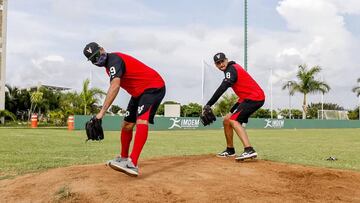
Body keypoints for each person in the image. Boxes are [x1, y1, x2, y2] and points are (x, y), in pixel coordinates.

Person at [83, 42, 166, 176]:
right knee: (126, 125)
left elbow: (115, 86)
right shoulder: (108, 66)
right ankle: (123, 157)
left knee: (141, 121)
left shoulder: (114, 60)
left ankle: (132, 163)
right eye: (93, 59)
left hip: (153, 87)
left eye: (97, 55)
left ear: (102, 49)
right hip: (138, 93)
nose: (97, 60)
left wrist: (101, 113)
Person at [204, 52, 265, 161]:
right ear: (216, 65)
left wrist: (209, 104)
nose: (221, 64)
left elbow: (223, 87)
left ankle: (249, 149)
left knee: (234, 120)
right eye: (218, 63)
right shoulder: (230, 69)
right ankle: (230, 150)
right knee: (227, 120)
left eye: (222, 61)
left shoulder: (231, 69)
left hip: (254, 97)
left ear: (226, 60)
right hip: (245, 98)